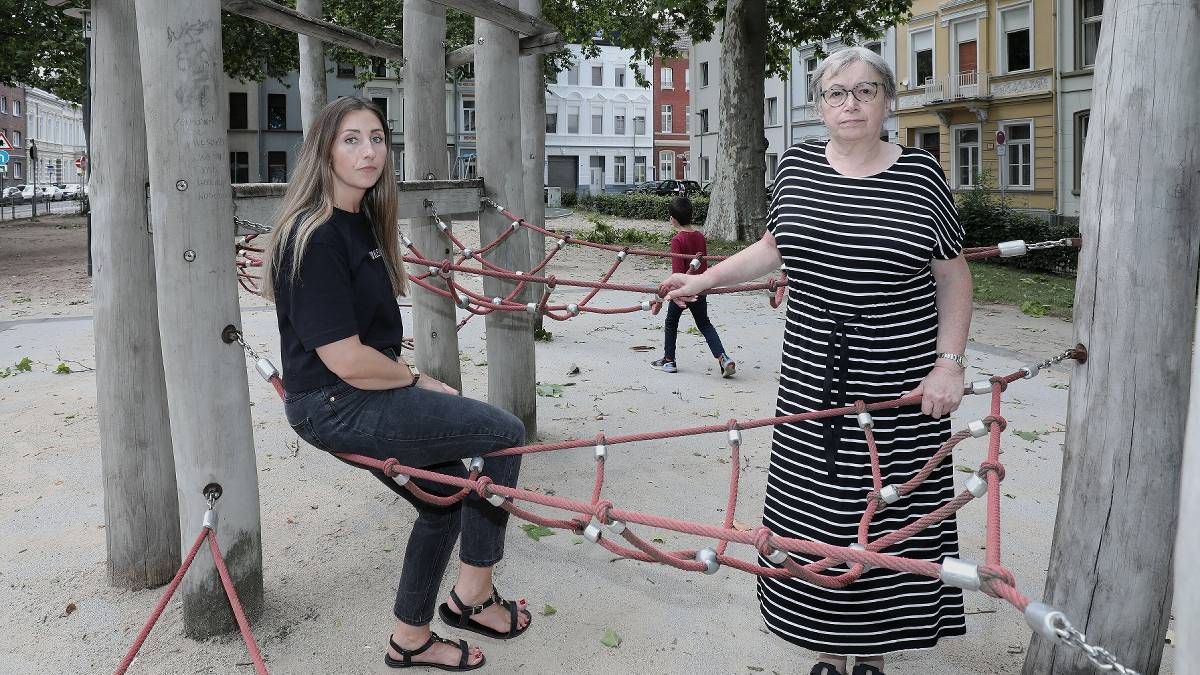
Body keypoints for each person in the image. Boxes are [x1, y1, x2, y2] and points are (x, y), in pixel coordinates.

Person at [659, 46, 973, 675]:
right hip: (811, 373)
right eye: (836, 92)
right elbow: (774, 247)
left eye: (864, 90)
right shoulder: (796, 166)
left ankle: (876, 652)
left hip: (898, 377)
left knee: (889, 507)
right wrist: (704, 281)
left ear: (888, 100)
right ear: (819, 105)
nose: (850, 103)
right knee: (818, 507)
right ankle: (828, 644)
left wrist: (950, 363)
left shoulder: (922, 176)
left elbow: (954, 277)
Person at [262, 97, 531, 671]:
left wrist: (406, 381)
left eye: (377, 138)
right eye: (352, 139)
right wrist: (419, 381)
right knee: (504, 434)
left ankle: (411, 639)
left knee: (446, 497)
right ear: (324, 151)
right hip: (336, 403)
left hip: (354, 394)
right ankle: (473, 595)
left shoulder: (357, 224)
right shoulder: (315, 237)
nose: (368, 152)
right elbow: (347, 360)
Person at [650, 195, 737, 377]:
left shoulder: (677, 240)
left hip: (683, 291)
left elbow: (677, 273)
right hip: (699, 289)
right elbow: (703, 265)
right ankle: (723, 358)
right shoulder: (700, 237)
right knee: (704, 324)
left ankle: (669, 360)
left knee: (671, 323)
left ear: (673, 219)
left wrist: (674, 293)